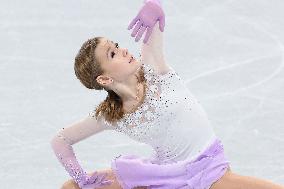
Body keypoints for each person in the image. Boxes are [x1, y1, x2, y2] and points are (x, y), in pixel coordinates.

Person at [50, 0, 284, 189]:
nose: (122, 50)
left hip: (208, 170)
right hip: (163, 177)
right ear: (104, 79)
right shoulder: (112, 115)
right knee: (70, 187)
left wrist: (153, 5)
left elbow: (155, 18)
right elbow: (60, 140)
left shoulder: (152, 68)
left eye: (117, 45)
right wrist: (81, 178)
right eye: (112, 54)